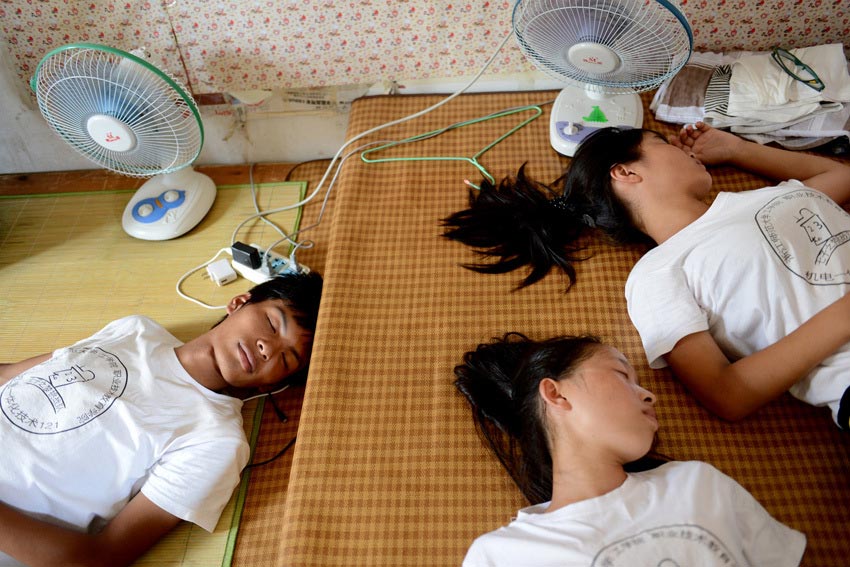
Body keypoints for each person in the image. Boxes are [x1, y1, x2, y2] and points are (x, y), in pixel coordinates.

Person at [442, 122, 850, 428]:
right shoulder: (657, 274)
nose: (681, 146)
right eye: (661, 142)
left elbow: (843, 177)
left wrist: (738, 149)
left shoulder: (763, 197)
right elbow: (727, 394)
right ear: (625, 172)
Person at [0, 271, 323, 567]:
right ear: (239, 302)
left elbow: (100, 558)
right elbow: (13, 375)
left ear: (274, 384)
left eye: (286, 357)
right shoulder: (134, 329)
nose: (268, 347)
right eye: (271, 323)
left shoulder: (215, 441)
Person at [454, 332, 806, 566]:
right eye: (623, 376)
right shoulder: (502, 556)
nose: (650, 396)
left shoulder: (697, 483)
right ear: (557, 394)